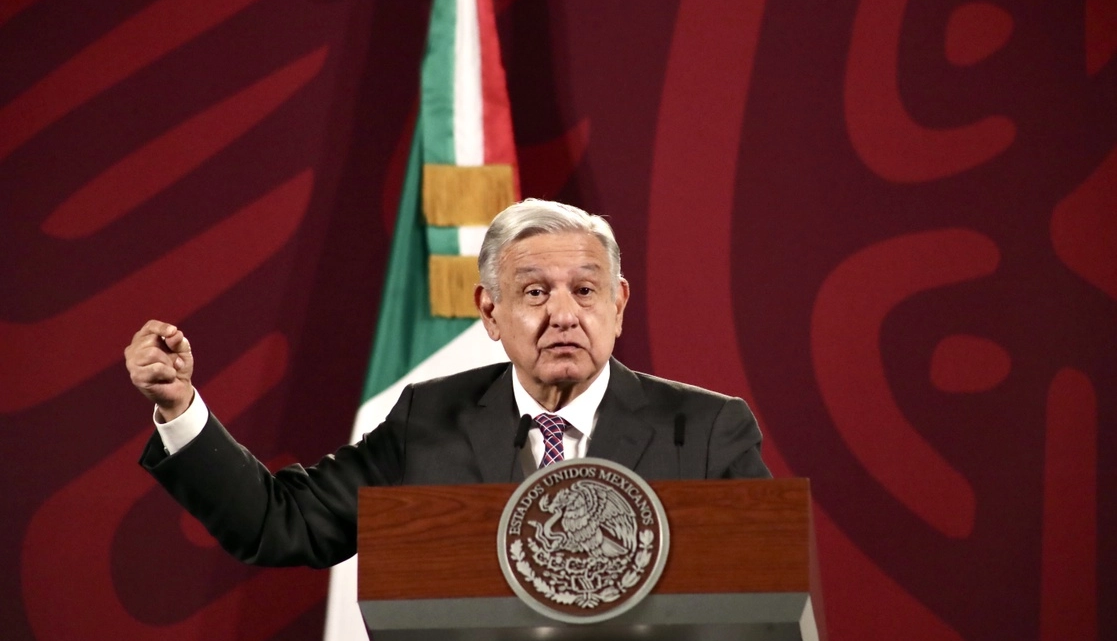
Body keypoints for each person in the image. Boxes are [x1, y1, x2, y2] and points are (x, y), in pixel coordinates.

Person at [126, 199, 770, 569]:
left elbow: (766, 592)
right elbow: (279, 523)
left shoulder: (707, 431)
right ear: (490, 311)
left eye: (585, 290)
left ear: (619, 304)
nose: (564, 315)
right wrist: (180, 409)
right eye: (535, 293)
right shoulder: (428, 422)